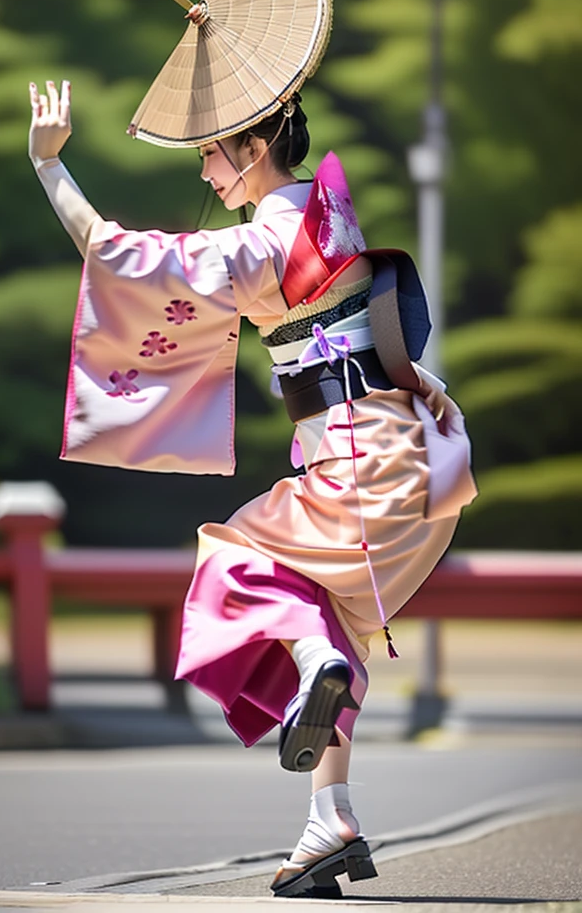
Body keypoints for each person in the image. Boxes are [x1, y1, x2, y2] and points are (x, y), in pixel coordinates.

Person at [27, 77, 477, 899]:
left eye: (210, 153)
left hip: (360, 464)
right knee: (330, 620)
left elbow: (113, 252)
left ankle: (310, 674)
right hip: (412, 460)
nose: (205, 172)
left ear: (253, 148)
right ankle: (326, 821)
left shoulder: (254, 248)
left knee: (231, 556)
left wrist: (50, 166)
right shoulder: (326, 212)